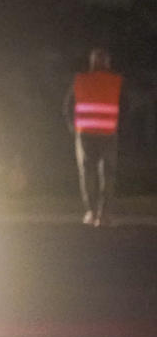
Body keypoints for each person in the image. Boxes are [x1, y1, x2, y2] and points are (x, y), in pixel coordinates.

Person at [64, 48, 124, 226]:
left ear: (92, 62)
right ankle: (104, 214)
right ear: (107, 63)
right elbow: (126, 105)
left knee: (87, 173)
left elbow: (67, 106)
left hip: (85, 134)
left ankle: (90, 212)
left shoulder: (80, 80)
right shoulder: (116, 81)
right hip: (108, 133)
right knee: (108, 174)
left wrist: (73, 127)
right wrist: (118, 126)